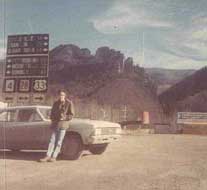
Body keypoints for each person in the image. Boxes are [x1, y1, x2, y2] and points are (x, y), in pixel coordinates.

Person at [39, 90, 74, 162]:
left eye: (63, 95)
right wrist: (53, 119)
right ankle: (48, 156)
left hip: (63, 125)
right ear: (58, 96)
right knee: (52, 140)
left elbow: (71, 115)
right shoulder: (55, 103)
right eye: (60, 95)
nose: (61, 96)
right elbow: (52, 114)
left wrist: (65, 118)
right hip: (55, 124)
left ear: (65, 96)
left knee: (59, 142)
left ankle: (54, 156)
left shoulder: (69, 103)